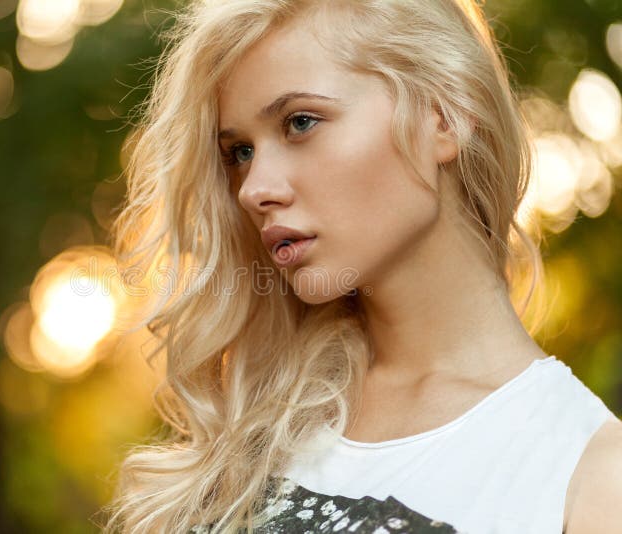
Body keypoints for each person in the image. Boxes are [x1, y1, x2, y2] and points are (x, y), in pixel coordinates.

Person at [100, 0, 622, 532]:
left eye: (300, 122)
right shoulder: (253, 424)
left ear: (444, 114)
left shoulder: (588, 477)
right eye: (240, 152)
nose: (254, 189)